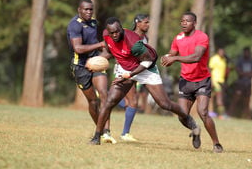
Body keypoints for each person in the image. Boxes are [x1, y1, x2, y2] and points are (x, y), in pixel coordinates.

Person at [89, 17, 201, 149]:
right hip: (126, 68)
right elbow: (110, 51)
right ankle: (96, 137)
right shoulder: (107, 35)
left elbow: (147, 62)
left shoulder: (133, 41)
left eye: (117, 31)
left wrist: (129, 75)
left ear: (121, 28)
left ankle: (192, 123)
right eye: (112, 32)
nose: (115, 35)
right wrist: (95, 61)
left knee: (164, 104)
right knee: (109, 102)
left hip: (145, 68)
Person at [161, 11, 223, 153]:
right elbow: (172, 53)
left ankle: (216, 144)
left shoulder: (202, 37)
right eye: (182, 21)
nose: (184, 23)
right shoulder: (178, 37)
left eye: (187, 21)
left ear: (194, 23)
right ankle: (195, 129)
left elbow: (196, 56)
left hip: (202, 80)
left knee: (203, 112)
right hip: (185, 81)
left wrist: (175, 59)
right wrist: (167, 57)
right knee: (182, 115)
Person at [66, 0, 116, 144]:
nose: (88, 12)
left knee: (104, 94)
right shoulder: (74, 25)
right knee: (93, 102)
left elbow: (97, 42)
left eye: (90, 9)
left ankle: (106, 132)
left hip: (95, 63)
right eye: (85, 9)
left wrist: (106, 51)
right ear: (79, 10)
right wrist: (99, 44)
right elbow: (78, 48)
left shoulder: (93, 22)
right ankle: (99, 130)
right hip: (80, 67)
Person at [118, 14, 150, 142]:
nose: (148, 25)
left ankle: (124, 133)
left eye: (148, 22)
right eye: (145, 22)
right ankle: (125, 133)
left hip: (136, 71)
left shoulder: (145, 38)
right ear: (138, 23)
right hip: (126, 70)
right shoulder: (128, 35)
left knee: (129, 102)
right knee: (132, 102)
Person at [228, 47, 252, 118]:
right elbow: (239, 72)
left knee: (247, 101)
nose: (246, 53)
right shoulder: (240, 61)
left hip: (248, 84)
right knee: (236, 99)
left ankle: (247, 116)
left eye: (247, 52)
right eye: (245, 52)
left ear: (249, 53)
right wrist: (247, 74)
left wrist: (244, 73)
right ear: (243, 53)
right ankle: (230, 114)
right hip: (240, 84)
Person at [209, 48, 228, 119]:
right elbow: (210, 70)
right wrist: (211, 81)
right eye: (221, 52)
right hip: (215, 81)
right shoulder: (214, 59)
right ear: (218, 52)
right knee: (219, 98)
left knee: (213, 97)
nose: (222, 53)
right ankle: (221, 114)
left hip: (221, 82)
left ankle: (211, 112)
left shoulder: (224, 60)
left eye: (223, 52)